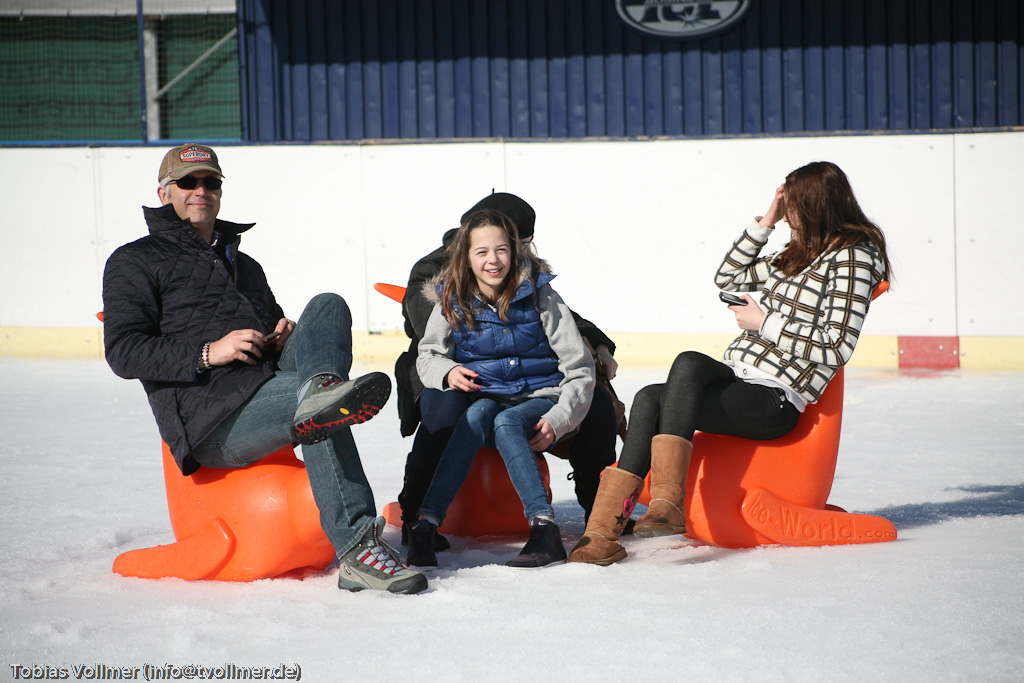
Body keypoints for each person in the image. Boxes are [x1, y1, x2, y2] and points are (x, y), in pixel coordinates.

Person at [102, 144, 426, 594]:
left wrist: (281, 338)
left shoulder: (245, 265)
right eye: (188, 182)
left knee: (327, 306)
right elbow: (123, 350)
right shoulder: (133, 260)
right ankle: (357, 550)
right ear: (164, 193)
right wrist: (209, 352)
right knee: (314, 408)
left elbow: (272, 339)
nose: (201, 190)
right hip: (212, 421)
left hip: (266, 388)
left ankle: (320, 388)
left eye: (210, 182)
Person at [569, 161, 893, 566]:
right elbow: (727, 277)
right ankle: (604, 533)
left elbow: (837, 346)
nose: (788, 216)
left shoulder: (853, 257)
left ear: (817, 205)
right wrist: (765, 222)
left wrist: (764, 323)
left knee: (663, 391)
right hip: (741, 375)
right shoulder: (797, 253)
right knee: (660, 387)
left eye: (793, 207)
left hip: (776, 397)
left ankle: (660, 507)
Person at [394, 192, 622, 552]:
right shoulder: (439, 276)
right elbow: (435, 340)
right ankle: (417, 514)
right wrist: (450, 371)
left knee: (597, 404)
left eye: (509, 247)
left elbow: (558, 318)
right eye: (484, 250)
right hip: (455, 374)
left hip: (526, 382)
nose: (495, 258)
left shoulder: (530, 281)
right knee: (447, 412)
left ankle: (598, 508)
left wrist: (598, 343)